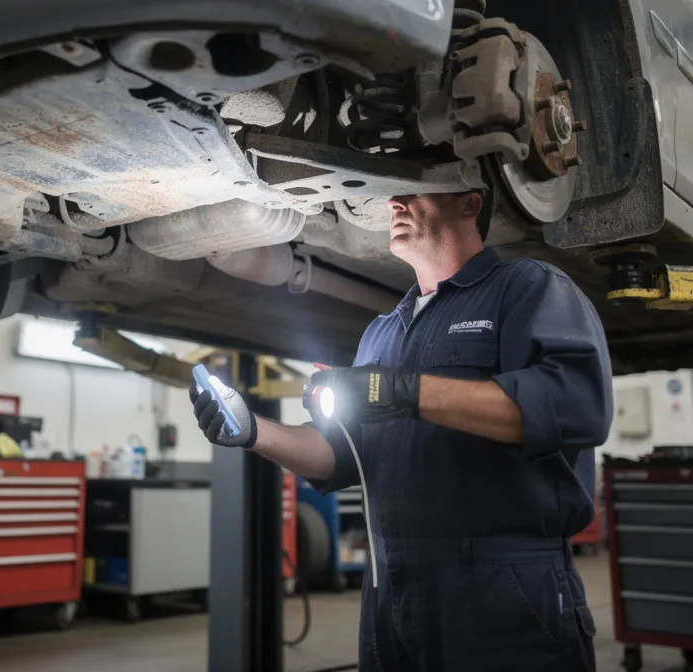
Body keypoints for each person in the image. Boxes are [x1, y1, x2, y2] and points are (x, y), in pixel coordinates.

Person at [190, 190, 612, 671]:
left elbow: (576, 405)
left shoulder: (527, 288)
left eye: (414, 190)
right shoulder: (382, 333)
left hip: (505, 586)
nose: (394, 201)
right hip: (393, 589)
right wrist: (252, 430)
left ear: (470, 203)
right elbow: (343, 454)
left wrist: (399, 392)